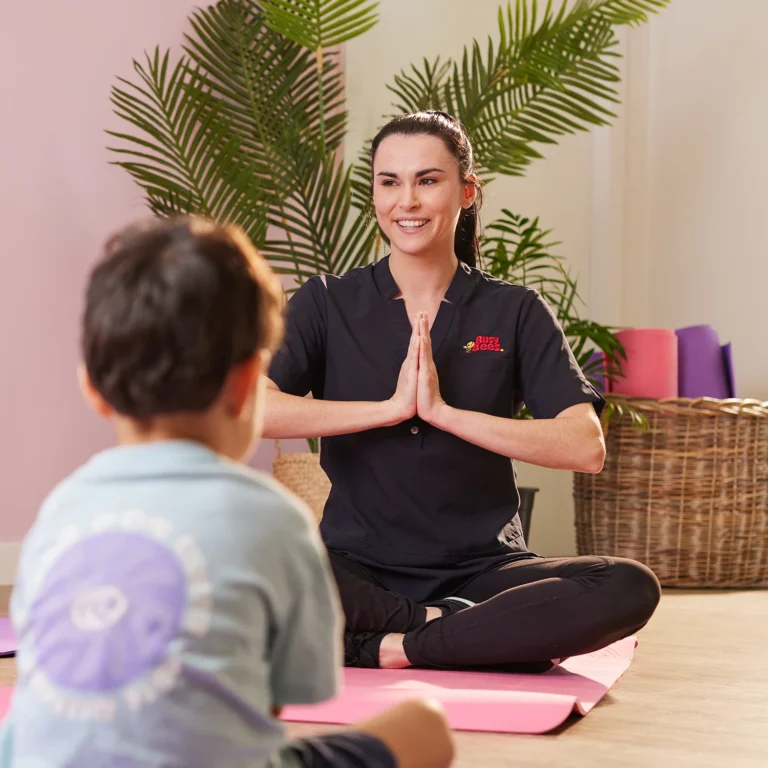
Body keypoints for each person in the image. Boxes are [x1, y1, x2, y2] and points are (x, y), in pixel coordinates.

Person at [0, 218, 455, 768]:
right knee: (424, 725)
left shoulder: (59, 513)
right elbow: (279, 700)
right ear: (248, 386)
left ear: (92, 387)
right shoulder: (273, 519)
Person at [265, 110, 661, 672]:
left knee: (626, 586)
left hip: (483, 572)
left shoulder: (515, 310)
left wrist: (444, 413)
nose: (407, 200)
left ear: (467, 191)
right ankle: (452, 634)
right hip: (354, 568)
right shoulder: (327, 302)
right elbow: (249, 407)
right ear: (374, 192)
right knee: (247, 549)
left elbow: (584, 446)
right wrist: (388, 410)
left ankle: (380, 645)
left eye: (428, 180)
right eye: (389, 182)